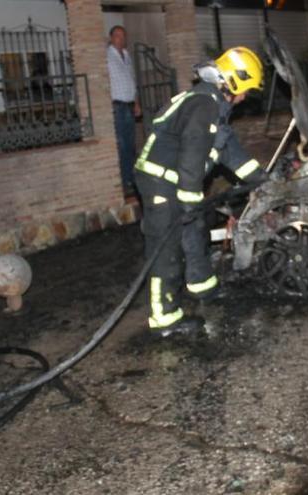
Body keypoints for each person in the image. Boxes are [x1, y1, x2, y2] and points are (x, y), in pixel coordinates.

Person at [134, 46, 268, 335]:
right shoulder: (203, 105)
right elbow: (192, 157)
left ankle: (201, 286)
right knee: (166, 251)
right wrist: (189, 200)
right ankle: (165, 320)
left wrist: (262, 179)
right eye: (245, 90)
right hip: (161, 184)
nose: (245, 98)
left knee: (193, 233)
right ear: (232, 81)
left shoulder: (213, 106)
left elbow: (229, 151)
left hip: (177, 181)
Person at [107, 25, 142, 196]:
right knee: (121, 146)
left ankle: (130, 180)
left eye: (123, 36)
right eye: (117, 36)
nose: (121, 39)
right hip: (117, 106)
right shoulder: (107, 57)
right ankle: (123, 182)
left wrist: (136, 103)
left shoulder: (127, 56)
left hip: (129, 106)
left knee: (130, 146)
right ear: (111, 38)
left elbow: (132, 81)